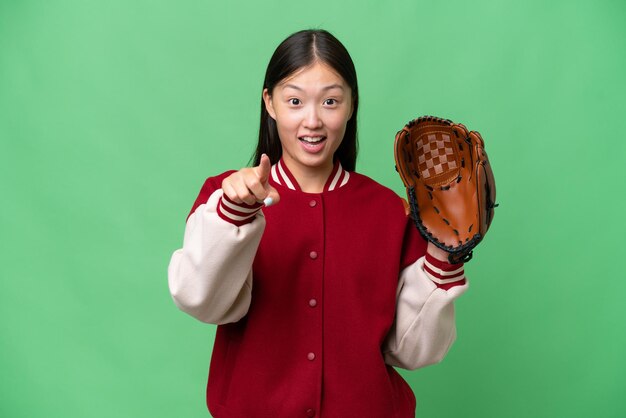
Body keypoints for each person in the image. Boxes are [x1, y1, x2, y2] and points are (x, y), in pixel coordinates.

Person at [168, 29, 468, 418]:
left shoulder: (390, 210)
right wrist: (234, 213)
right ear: (269, 103)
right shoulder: (224, 196)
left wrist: (443, 256)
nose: (313, 121)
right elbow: (201, 301)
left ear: (351, 106)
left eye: (330, 101)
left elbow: (411, 351)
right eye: (294, 101)